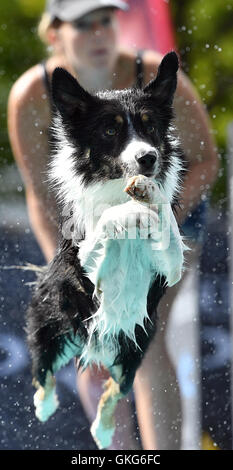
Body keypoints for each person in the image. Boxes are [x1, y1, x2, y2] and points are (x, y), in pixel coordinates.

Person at [8, 0, 218, 449]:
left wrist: (156, 221)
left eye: (106, 19)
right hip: (84, 225)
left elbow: (206, 162)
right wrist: (62, 266)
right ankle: (117, 452)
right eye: (83, 24)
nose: (99, 32)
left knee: (146, 330)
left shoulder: (156, 78)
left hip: (172, 214)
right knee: (94, 341)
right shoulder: (32, 95)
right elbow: (41, 196)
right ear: (53, 35)